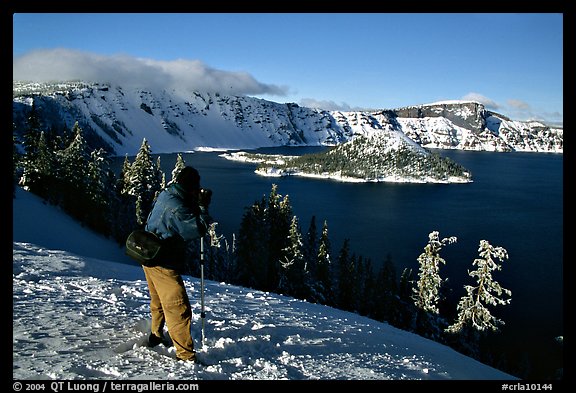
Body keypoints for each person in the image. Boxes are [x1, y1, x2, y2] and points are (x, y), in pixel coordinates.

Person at [143, 166, 212, 362]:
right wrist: (203, 208)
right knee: (178, 307)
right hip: (162, 262)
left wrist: (194, 201)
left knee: (158, 301)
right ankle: (185, 356)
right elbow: (197, 228)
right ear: (190, 187)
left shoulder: (169, 193)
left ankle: (155, 335)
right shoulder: (177, 207)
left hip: (149, 254)